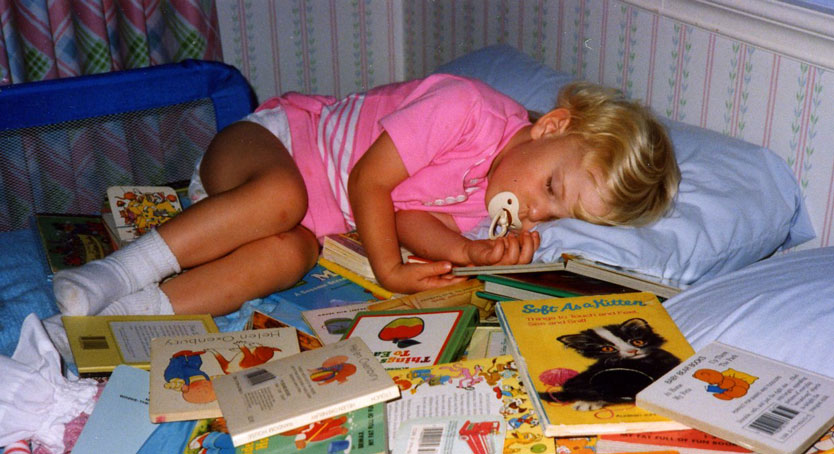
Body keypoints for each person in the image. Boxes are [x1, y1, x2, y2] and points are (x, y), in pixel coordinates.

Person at [51, 75, 680, 317]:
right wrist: (388, 270)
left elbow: (408, 217)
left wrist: (468, 249)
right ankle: (115, 273)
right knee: (282, 201)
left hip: (297, 218)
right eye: (551, 187)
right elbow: (369, 182)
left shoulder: (491, 191)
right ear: (551, 127)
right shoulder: (467, 110)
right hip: (265, 148)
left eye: (558, 211)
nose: (539, 209)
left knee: (290, 254)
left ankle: (128, 318)